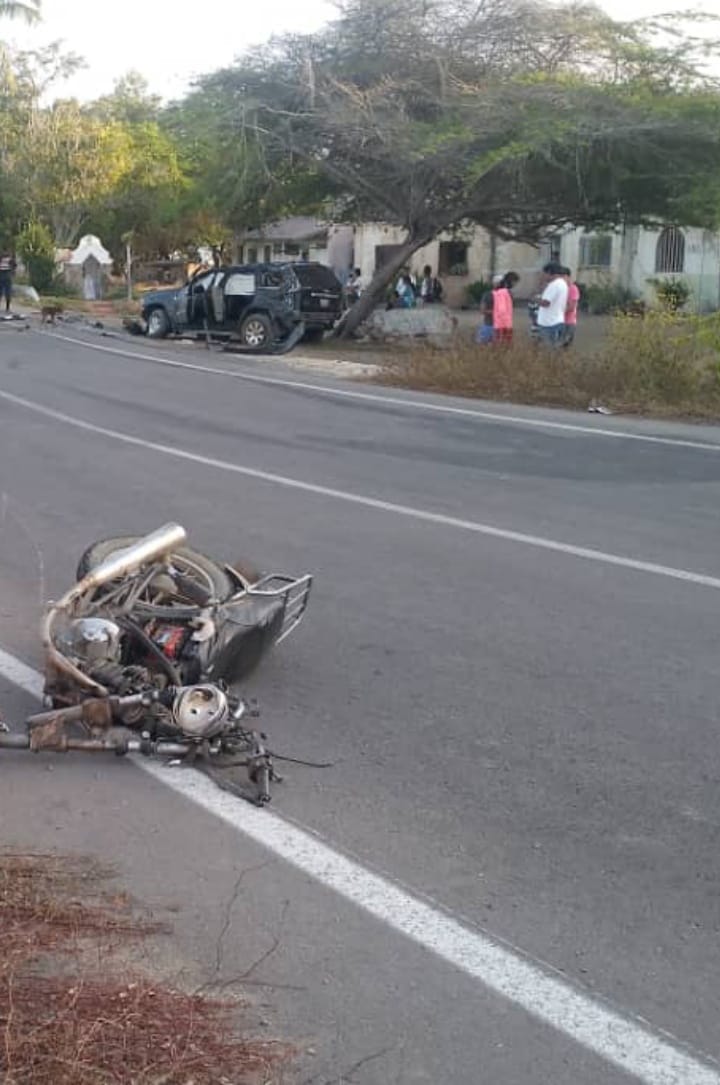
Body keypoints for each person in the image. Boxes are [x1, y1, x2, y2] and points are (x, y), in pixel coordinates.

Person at [534, 262, 568, 347]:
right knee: (555, 349)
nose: (543, 276)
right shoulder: (562, 283)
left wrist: (535, 299)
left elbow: (546, 303)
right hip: (557, 321)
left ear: (549, 272)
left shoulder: (554, 285)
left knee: (548, 351)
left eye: (544, 273)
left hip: (549, 324)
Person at [492, 271, 519, 344]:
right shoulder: (503, 292)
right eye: (515, 282)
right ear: (511, 281)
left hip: (500, 324)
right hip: (503, 324)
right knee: (505, 345)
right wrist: (506, 324)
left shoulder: (499, 291)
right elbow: (502, 310)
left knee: (502, 344)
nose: (515, 284)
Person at [562, 267, 580, 347]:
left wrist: (558, 312)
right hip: (560, 321)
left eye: (563, 276)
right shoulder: (561, 288)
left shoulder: (573, 289)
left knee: (565, 345)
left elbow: (572, 307)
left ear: (568, 277)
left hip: (569, 322)